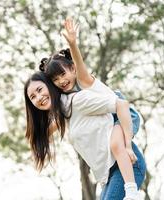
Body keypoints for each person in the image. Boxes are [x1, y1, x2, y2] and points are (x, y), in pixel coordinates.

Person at [39, 18, 143, 199]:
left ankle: (132, 190)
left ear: (72, 69)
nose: (61, 81)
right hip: (112, 129)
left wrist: (72, 44)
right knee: (115, 145)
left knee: (117, 144)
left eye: (63, 74)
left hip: (121, 114)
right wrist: (38, 134)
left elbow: (79, 65)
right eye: (55, 80)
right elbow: (55, 124)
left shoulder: (83, 81)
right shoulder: (68, 100)